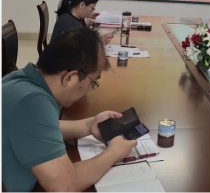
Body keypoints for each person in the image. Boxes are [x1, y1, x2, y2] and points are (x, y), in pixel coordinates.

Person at [2, 29, 137, 192]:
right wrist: (114, 153)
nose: (90, 90)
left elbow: (41, 129)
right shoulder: (32, 103)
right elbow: (64, 185)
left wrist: (90, 125)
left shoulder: (21, 81)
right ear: (70, 78)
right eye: (93, 83)